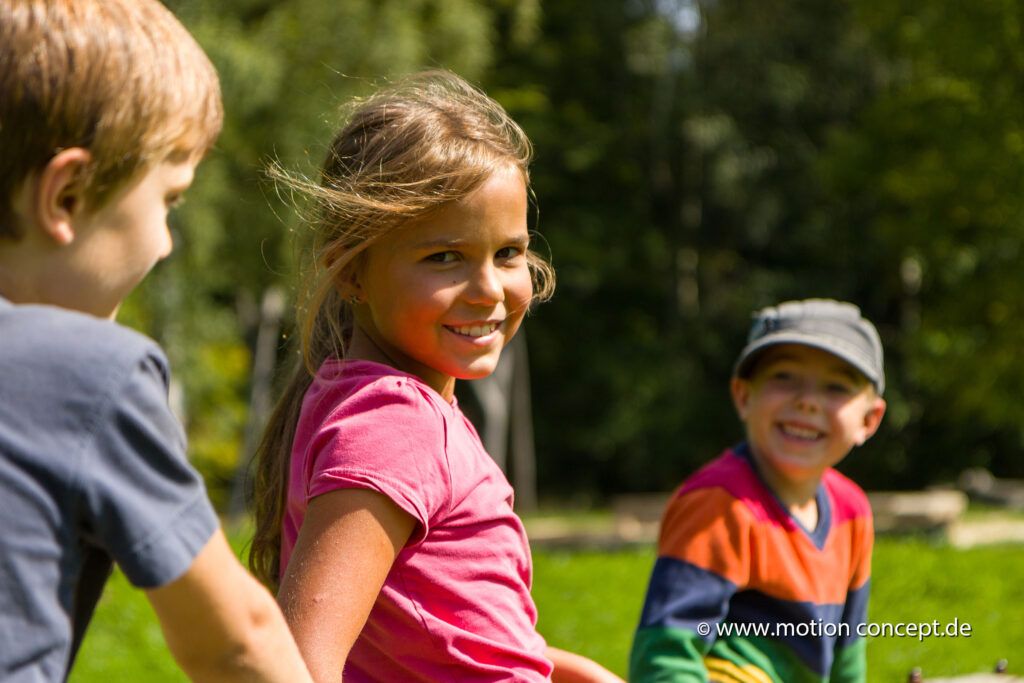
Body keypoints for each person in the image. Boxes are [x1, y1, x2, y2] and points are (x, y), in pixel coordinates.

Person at [248, 70, 623, 683]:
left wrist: (570, 671)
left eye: (508, 253)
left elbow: (435, 640)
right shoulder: (393, 424)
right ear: (351, 273)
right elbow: (302, 667)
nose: (488, 290)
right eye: (445, 257)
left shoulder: (367, 400)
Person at [0, 2, 313, 681]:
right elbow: (238, 643)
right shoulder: (85, 375)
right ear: (67, 196)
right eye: (168, 200)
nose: (167, 243)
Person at [630, 299, 888, 682]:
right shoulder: (720, 504)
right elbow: (664, 655)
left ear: (869, 419)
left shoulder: (853, 512)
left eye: (836, 387)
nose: (807, 401)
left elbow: (847, 653)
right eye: (784, 377)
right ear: (743, 396)